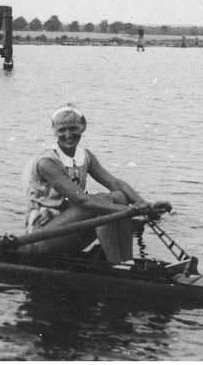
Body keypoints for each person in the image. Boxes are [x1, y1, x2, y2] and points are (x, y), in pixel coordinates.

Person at [22, 104, 171, 264]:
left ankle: (127, 263)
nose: (68, 135)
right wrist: (130, 211)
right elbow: (82, 200)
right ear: (53, 130)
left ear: (83, 127)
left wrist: (144, 205)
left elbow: (115, 183)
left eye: (73, 128)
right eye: (62, 130)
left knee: (119, 196)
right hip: (39, 238)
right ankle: (116, 266)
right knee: (102, 202)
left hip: (67, 231)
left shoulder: (85, 156)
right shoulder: (47, 162)